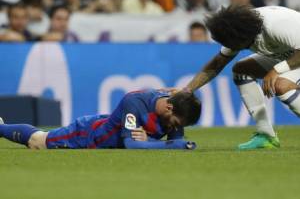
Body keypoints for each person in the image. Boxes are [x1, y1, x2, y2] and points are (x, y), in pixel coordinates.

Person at [183, 5, 300, 150]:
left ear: (240, 37)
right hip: (290, 56)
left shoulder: (275, 26)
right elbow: (217, 63)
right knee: (241, 70)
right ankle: (266, 136)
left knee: (281, 86)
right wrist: (187, 90)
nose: (229, 46)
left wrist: (276, 70)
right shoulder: (240, 28)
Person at [0, 89, 201, 150]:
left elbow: (174, 141)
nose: (173, 128)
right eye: (174, 124)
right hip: (89, 135)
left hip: (109, 135)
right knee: (38, 142)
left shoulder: (174, 109)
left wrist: (153, 142)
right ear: (169, 107)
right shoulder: (135, 102)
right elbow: (131, 143)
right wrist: (173, 145)